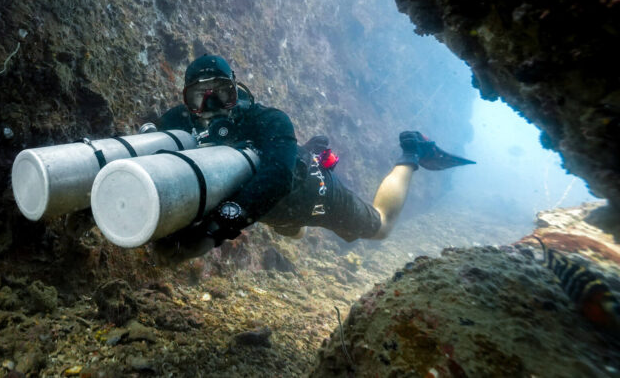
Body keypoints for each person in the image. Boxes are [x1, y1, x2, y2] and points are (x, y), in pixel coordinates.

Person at [152, 54, 473, 265]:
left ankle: (411, 152)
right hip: (276, 213)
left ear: (236, 91)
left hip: (315, 197)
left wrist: (214, 230)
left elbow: (276, 179)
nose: (212, 106)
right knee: (290, 229)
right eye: (199, 97)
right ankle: (300, 163)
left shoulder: (270, 120)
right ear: (187, 101)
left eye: (222, 93)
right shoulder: (181, 121)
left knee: (381, 226)